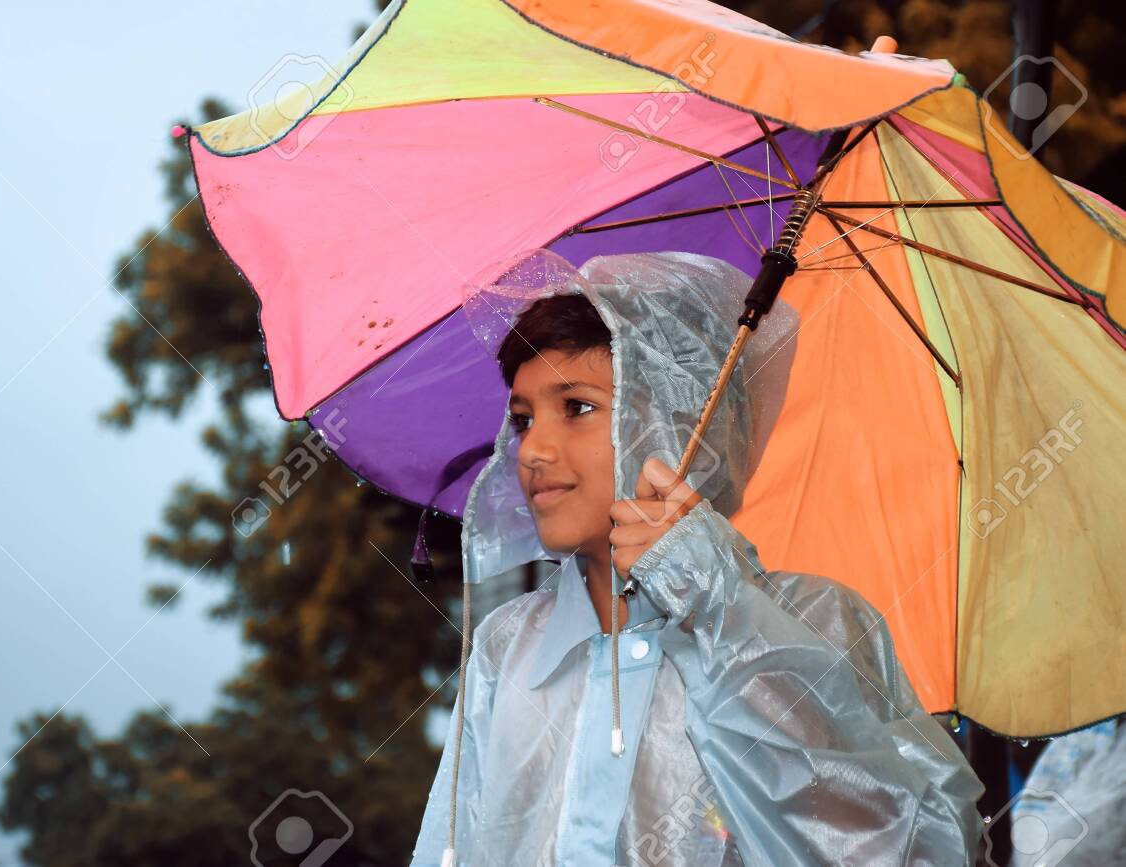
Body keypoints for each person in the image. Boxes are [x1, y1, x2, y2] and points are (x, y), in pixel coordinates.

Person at [410, 250, 983, 866]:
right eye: (522, 420)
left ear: (670, 420)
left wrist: (723, 613)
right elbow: (453, 848)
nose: (533, 451)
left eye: (576, 407)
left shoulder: (815, 622)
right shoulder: (507, 647)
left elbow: (916, 849)